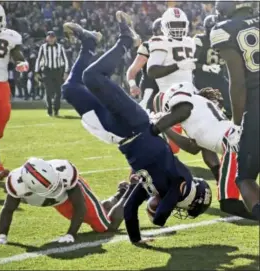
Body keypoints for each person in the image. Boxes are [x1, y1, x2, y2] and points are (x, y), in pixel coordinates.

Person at [62, 11, 212, 245]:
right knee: (93, 76)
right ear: (187, 195)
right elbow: (160, 218)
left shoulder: (151, 186)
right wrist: (169, 205)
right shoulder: (178, 183)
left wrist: (136, 240)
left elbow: (131, 210)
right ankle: (126, 40)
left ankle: (89, 43)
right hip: (137, 123)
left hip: (120, 133)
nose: (176, 210)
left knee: (71, 88)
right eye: (183, 207)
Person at [153, 83, 257, 220]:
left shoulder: (183, 104)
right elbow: (194, 148)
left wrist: (157, 126)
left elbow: (180, 112)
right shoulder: (199, 113)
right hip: (239, 138)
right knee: (245, 189)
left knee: (229, 204)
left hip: (231, 142)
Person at [0, 157, 129, 245]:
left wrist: (71, 234)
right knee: (93, 214)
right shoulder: (17, 184)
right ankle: (117, 196)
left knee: (106, 228)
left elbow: (80, 206)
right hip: (59, 201)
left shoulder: (65, 172)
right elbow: (8, 209)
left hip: (72, 194)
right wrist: (2, 237)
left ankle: (129, 192)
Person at [210, 1, 260, 220]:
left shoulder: (224, 30)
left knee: (245, 178)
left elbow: (238, 82)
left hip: (256, 105)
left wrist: (237, 123)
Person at [0, 2, 29, 180]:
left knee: (0, 127)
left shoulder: (10, 35)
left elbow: (16, 52)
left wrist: (20, 62)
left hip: (2, 84)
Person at [147, 7, 196, 93]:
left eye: (181, 25)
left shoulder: (190, 42)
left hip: (188, 90)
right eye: (174, 25)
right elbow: (152, 71)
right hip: (168, 92)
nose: (178, 28)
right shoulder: (161, 42)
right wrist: (177, 66)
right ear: (164, 26)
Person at [193, 15, 231, 119]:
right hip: (202, 80)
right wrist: (205, 67)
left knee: (230, 104)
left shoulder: (226, 41)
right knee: (204, 108)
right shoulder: (200, 40)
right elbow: (191, 63)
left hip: (219, 79)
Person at [126, 18, 161, 111]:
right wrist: (133, 85)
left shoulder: (174, 45)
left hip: (167, 86)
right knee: (150, 115)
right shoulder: (148, 46)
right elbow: (133, 70)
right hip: (151, 88)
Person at [34, 31, 69, 117]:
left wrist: (66, 72)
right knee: (48, 92)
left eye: (53, 37)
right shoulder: (43, 47)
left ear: (55, 38)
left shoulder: (60, 47)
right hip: (47, 71)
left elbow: (65, 60)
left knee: (58, 92)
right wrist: (37, 72)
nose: (51, 39)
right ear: (46, 38)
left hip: (57, 71)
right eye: (49, 37)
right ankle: (49, 111)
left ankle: (56, 110)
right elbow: (38, 59)